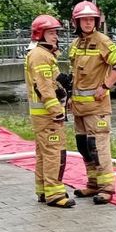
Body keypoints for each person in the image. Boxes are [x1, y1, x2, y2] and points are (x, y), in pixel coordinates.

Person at [68, 0, 116, 204]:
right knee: (84, 146)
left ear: (96, 21)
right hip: (79, 108)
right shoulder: (75, 45)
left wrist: (106, 86)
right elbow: (74, 74)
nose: (87, 23)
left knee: (98, 147)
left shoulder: (102, 41)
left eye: (91, 19)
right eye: (84, 19)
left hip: (97, 108)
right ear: (77, 22)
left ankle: (106, 188)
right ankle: (92, 184)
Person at [25, 14, 75, 208]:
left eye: (56, 32)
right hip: (47, 115)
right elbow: (44, 87)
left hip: (42, 115)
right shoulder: (39, 55)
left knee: (43, 153)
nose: (55, 36)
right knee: (55, 152)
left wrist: (64, 85)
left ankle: (44, 189)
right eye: (51, 32)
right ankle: (54, 193)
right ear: (40, 34)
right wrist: (57, 111)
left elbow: (52, 83)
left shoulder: (44, 54)